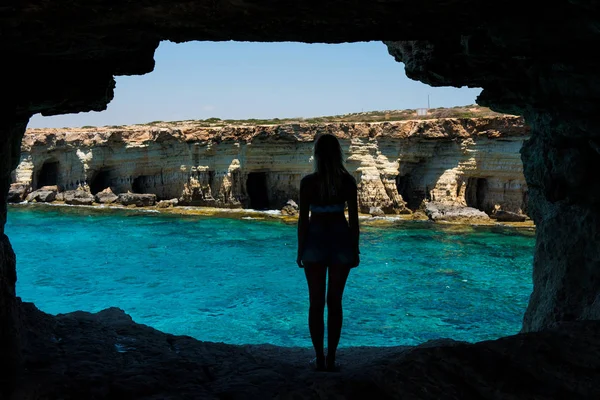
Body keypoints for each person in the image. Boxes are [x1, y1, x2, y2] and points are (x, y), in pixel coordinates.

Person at [296, 133, 360, 372]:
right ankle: (332, 358)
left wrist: (299, 250)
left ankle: (319, 359)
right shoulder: (348, 182)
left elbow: (303, 221)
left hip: (314, 244)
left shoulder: (308, 183)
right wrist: (355, 250)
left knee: (315, 303)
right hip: (341, 244)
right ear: (339, 154)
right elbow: (354, 222)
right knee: (335, 303)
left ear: (317, 154)